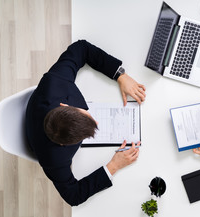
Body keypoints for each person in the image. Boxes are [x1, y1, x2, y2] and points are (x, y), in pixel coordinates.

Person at [26, 40, 146, 206]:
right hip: (34, 133)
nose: (96, 120)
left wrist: (120, 75)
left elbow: (81, 48)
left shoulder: (55, 82)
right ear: (63, 144)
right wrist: (113, 166)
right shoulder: (54, 160)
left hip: (40, 102)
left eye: (86, 114)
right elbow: (73, 196)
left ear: (65, 105)